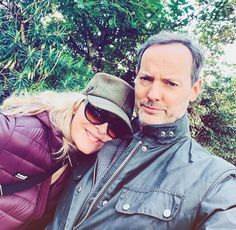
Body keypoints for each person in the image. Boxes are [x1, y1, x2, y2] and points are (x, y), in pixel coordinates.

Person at [47, 31, 236, 230]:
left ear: (194, 90)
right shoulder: (98, 139)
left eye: (170, 83)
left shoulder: (214, 179)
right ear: (135, 78)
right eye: (146, 78)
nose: (153, 94)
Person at [0, 72, 134, 230]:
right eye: (97, 114)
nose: (103, 129)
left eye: (115, 127)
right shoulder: (18, 131)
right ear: (77, 106)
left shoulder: (76, 162)